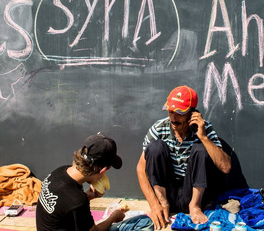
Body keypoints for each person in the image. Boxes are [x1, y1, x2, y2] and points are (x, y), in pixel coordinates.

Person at [137, 86, 243, 229]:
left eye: (180, 113)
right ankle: (164, 205)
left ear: (192, 113)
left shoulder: (205, 129)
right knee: (155, 147)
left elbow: (226, 168)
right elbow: (140, 168)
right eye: (170, 112)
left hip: (193, 193)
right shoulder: (159, 128)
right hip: (168, 193)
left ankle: (195, 206)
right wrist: (154, 204)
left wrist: (203, 137)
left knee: (201, 148)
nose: (174, 118)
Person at [36, 133, 133, 231]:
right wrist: (114, 216)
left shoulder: (60, 171)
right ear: (102, 170)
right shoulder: (77, 200)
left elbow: (63, 204)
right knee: (141, 222)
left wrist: (89, 196)